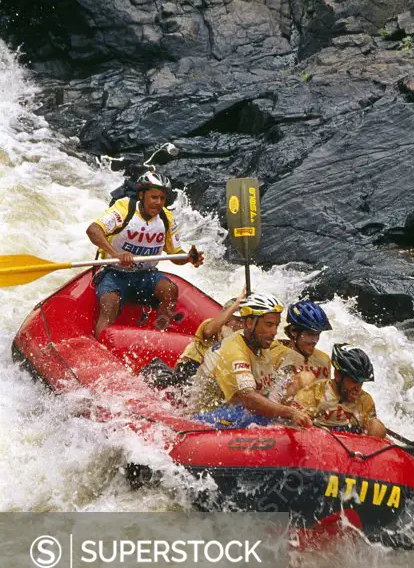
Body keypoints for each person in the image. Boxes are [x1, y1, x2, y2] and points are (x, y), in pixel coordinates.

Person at [86, 171, 203, 339]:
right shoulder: (124, 208)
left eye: (162, 199)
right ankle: (100, 346)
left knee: (170, 290)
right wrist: (116, 254)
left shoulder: (166, 218)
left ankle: (159, 339)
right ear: (142, 195)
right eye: (154, 197)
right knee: (110, 304)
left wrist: (189, 258)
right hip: (113, 272)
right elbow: (93, 230)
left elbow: (175, 254)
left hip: (146, 275)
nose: (158, 203)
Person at [188, 292, 313, 429]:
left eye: (276, 326)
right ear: (249, 323)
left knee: (301, 379)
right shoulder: (234, 350)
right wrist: (289, 413)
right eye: (269, 324)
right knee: (257, 413)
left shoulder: (259, 343)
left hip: (233, 407)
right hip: (204, 417)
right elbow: (249, 400)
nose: (274, 332)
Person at [292, 343, 386, 438]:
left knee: (377, 427)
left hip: (350, 446)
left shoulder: (365, 400)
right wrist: (315, 430)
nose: (358, 388)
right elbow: (295, 424)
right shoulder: (314, 392)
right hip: (318, 441)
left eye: (361, 383)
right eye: (353, 381)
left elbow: (368, 431)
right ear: (338, 375)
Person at [174, 292, 245, 385]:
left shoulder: (241, 337)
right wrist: (235, 305)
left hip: (211, 374)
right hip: (191, 367)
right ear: (227, 320)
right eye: (238, 320)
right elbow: (208, 331)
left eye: (243, 320)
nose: (241, 324)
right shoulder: (214, 327)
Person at [267, 299, 332, 400]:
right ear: (293, 331)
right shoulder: (274, 354)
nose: (314, 340)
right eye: (310, 334)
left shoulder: (323, 360)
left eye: (317, 335)